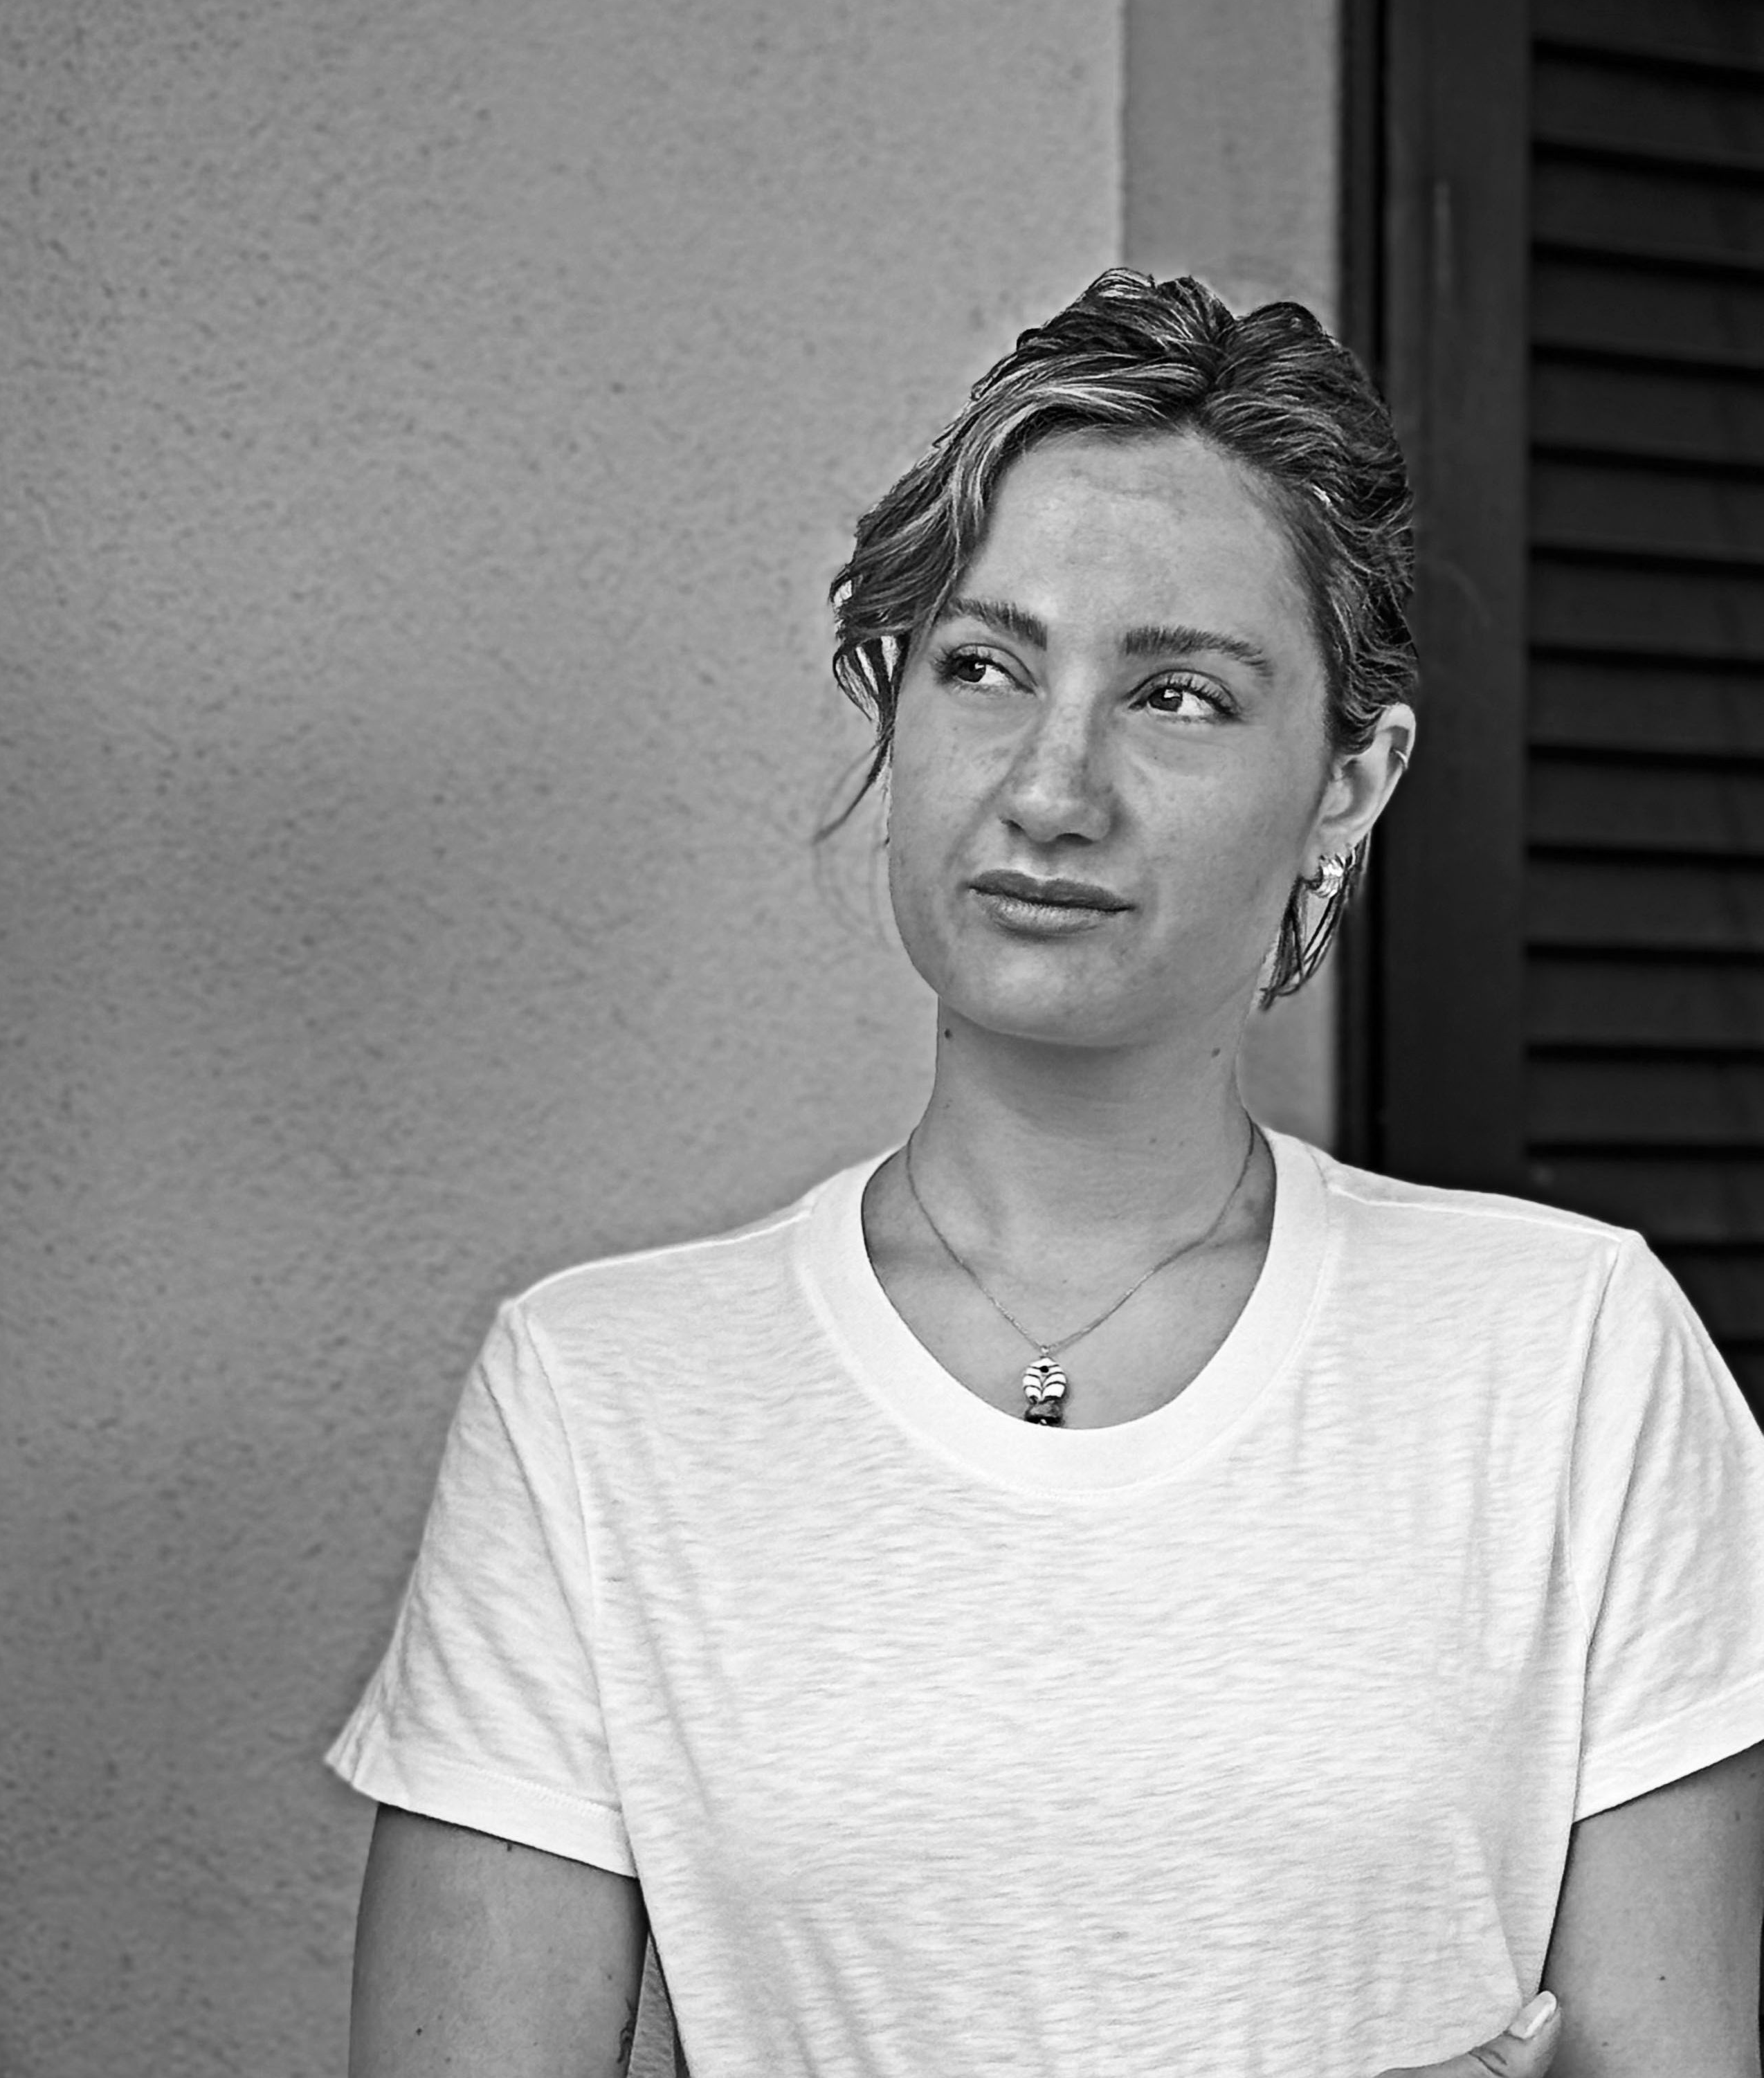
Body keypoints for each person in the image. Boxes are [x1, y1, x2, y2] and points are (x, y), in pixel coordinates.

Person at [327, 271, 1764, 2076]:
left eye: (1178, 693)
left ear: (1351, 780)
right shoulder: (599, 1398)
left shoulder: (1575, 1358)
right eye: (986, 667)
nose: (1050, 788)